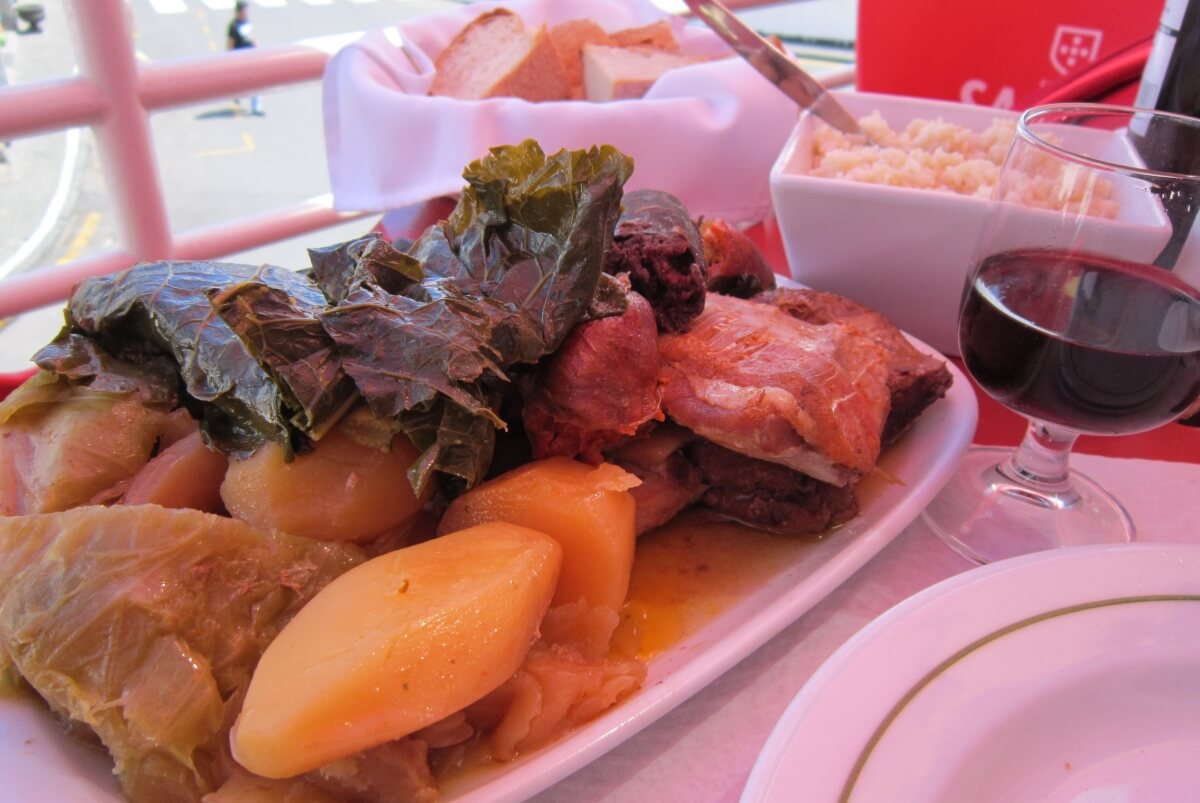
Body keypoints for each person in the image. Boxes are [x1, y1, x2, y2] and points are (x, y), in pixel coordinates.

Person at [226, 1, 262, 115]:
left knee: (257, 80)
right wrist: (230, 57)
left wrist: (257, 48)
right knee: (241, 79)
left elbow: (250, 37)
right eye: (244, 10)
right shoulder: (233, 26)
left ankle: (257, 107)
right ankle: (236, 94)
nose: (247, 13)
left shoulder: (247, 22)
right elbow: (230, 43)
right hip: (239, 57)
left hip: (250, 54)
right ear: (239, 12)